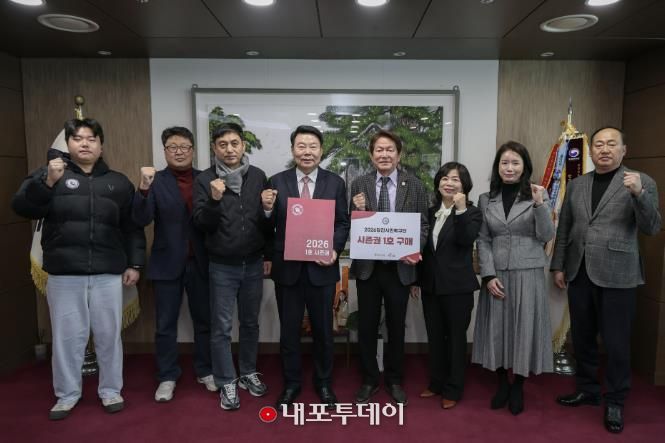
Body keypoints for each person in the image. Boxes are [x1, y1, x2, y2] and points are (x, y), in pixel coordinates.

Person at [12, 118, 146, 420]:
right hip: (64, 273)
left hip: (108, 272)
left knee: (108, 336)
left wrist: (135, 263)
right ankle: (67, 394)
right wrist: (47, 183)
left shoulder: (118, 182)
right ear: (68, 144)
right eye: (78, 138)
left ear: (101, 146)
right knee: (67, 338)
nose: (84, 143)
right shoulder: (50, 175)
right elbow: (22, 207)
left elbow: (132, 227)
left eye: (91, 139)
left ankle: (110, 391)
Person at [551, 126, 661, 434]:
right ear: (592, 150)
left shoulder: (641, 181)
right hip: (579, 271)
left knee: (615, 342)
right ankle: (587, 389)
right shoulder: (577, 184)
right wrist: (558, 265)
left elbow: (652, 227)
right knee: (583, 337)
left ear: (624, 150)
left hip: (618, 275)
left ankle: (615, 399)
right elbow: (565, 228)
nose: (604, 149)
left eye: (612, 144)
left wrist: (638, 194)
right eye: (599, 144)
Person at [262, 125, 350, 409]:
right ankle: (291, 384)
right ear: (293, 150)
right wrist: (266, 209)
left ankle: (323, 383)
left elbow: (342, 222)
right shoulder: (277, 181)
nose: (307, 152)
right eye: (301, 146)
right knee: (289, 331)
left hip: (321, 269)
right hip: (287, 269)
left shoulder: (335, 183)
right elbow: (267, 227)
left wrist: (334, 250)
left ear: (321, 151)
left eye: (313, 146)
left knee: (323, 331)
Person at [471, 141, 554, 416]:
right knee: (496, 328)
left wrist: (540, 205)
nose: (509, 168)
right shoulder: (486, 198)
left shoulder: (538, 194)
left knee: (523, 328)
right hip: (496, 273)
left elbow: (546, 235)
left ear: (524, 167)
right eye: (504, 163)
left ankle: (518, 384)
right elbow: (483, 239)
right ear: (497, 167)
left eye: (515, 163)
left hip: (528, 272)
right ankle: (501, 383)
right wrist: (488, 274)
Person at [132, 126, 214, 403]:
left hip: (201, 262)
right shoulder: (155, 180)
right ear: (165, 151)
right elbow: (141, 219)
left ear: (193, 150)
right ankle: (167, 376)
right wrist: (143, 188)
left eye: (184, 147)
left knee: (204, 321)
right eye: (172, 147)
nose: (179, 152)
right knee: (165, 324)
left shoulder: (207, 178)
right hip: (166, 262)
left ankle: (206, 370)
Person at [193, 123, 272, 411]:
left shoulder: (258, 176)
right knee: (222, 328)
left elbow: (266, 223)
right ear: (214, 148)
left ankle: (248, 372)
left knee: (250, 322)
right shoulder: (205, 179)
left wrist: (267, 210)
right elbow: (201, 223)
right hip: (222, 266)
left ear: (243, 146)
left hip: (253, 263)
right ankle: (226, 379)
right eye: (223, 144)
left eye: (234, 143)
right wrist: (214, 201)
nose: (229, 149)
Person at [349, 129, 429, 406]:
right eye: (379, 150)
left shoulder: (414, 185)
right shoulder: (359, 184)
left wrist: (415, 249)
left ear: (399, 154)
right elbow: (351, 224)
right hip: (368, 268)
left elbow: (423, 225)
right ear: (371, 155)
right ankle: (369, 379)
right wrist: (356, 209)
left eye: (389, 150)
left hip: (400, 268)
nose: (384, 155)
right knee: (367, 325)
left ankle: (394, 379)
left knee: (396, 326)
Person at [416, 162, 482, 410]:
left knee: (455, 339)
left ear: (464, 185)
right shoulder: (429, 211)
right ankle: (436, 383)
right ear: (438, 183)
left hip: (457, 287)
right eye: (444, 178)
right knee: (435, 337)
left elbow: (466, 240)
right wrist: (416, 281)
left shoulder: (472, 213)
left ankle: (454, 388)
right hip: (431, 286)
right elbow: (423, 250)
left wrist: (461, 209)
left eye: (455, 179)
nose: (449, 183)